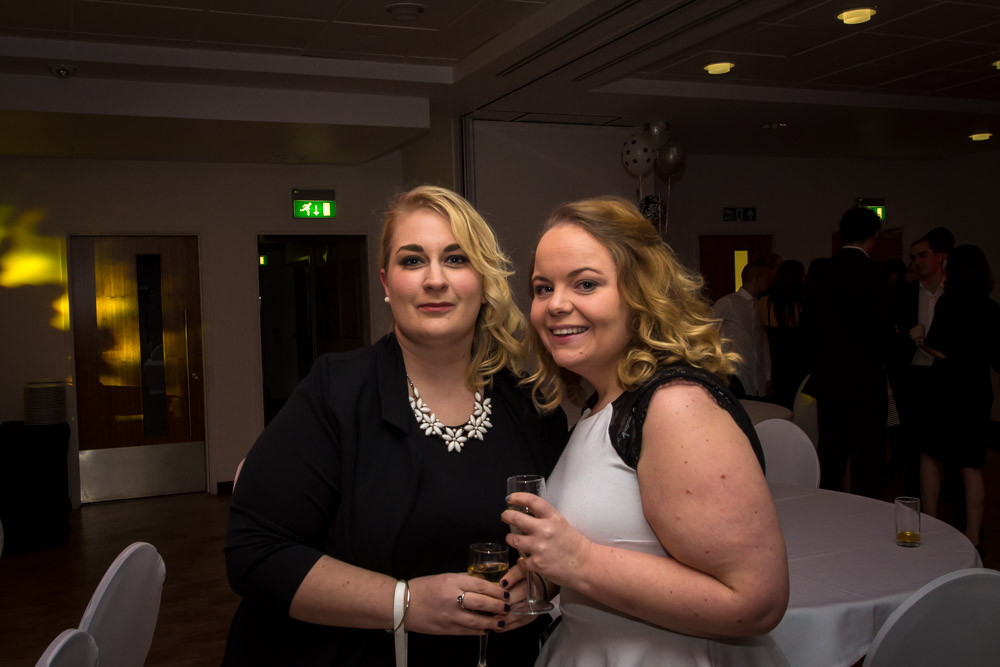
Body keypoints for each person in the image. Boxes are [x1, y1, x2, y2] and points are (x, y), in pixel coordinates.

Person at [223, 185, 567, 667]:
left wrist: (541, 581)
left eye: (455, 259)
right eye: (412, 260)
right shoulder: (336, 392)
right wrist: (403, 603)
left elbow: (567, 538)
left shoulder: (532, 406)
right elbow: (254, 553)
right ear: (386, 282)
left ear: (483, 279)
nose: (434, 280)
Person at [500, 197, 789, 666]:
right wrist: (547, 576)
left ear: (640, 294)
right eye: (542, 287)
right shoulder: (601, 405)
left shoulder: (674, 405)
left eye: (585, 284)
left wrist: (577, 562)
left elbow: (756, 602)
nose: (556, 304)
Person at [803, 207, 894, 498]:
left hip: (829, 377)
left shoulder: (820, 270)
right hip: (865, 380)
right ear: (874, 236)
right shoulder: (876, 273)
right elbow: (882, 331)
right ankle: (867, 516)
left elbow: (808, 325)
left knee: (831, 454)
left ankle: (830, 515)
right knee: (867, 459)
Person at [919, 244, 999, 557]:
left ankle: (930, 523)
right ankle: (973, 535)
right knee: (972, 466)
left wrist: (919, 341)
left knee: (930, 456)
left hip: (945, 389)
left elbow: (938, 348)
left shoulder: (948, 303)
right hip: (976, 391)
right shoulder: (992, 308)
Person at [889, 228, 953, 496]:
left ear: (940, 257)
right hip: (912, 375)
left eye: (922, 255)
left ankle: (951, 495)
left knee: (950, 440)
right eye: (913, 257)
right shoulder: (905, 292)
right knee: (913, 441)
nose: (916, 261)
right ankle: (914, 498)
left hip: (947, 375)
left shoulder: (955, 292)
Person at [713, 262, 772, 398]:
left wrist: (767, 376)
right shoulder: (729, 302)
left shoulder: (758, 305)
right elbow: (709, 329)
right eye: (766, 278)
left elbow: (763, 343)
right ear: (758, 279)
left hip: (757, 379)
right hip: (735, 376)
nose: (769, 282)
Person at [759, 259, 809, 408]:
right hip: (800, 364)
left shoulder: (764, 302)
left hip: (775, 364)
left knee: (777, 407)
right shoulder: (805, 304)